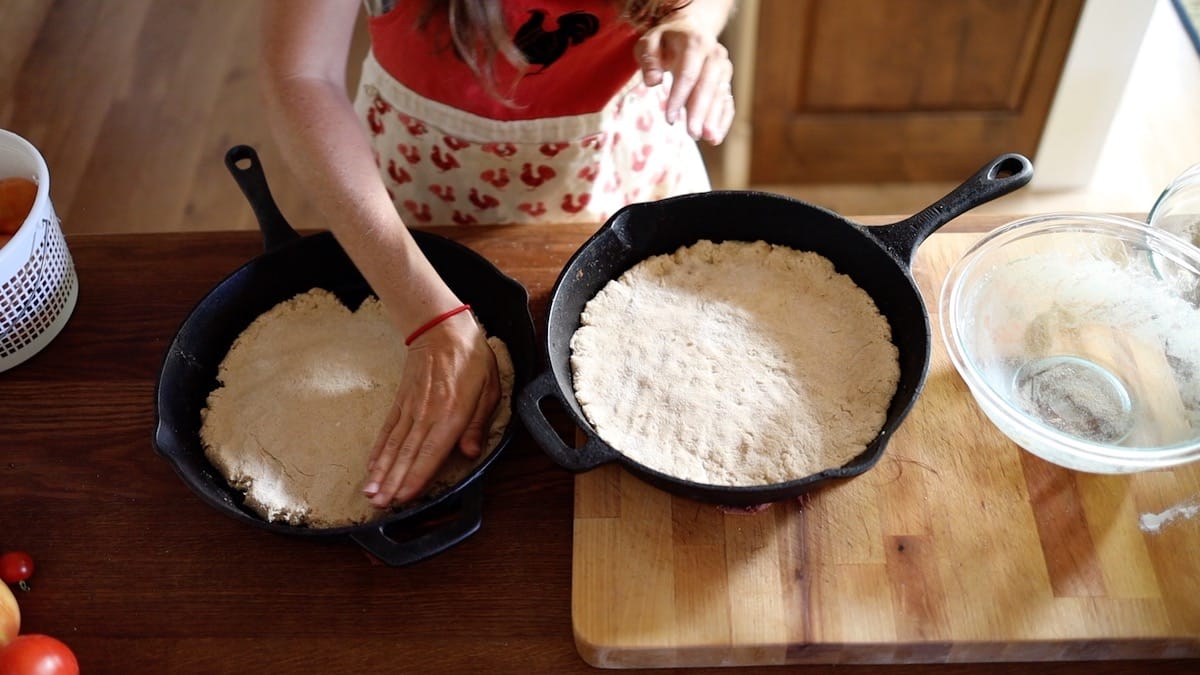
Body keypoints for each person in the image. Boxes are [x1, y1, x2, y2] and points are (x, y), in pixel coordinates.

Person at [259, 0, 736, 510]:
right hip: (426, 180)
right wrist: (427, 318)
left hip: (622, 163)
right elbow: (301, 73)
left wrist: (694, 22)